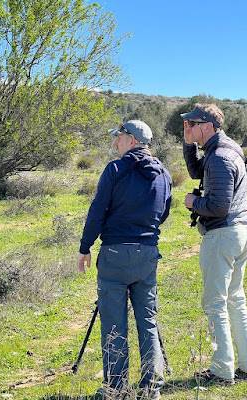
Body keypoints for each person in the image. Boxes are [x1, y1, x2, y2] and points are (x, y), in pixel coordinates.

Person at [77, 120, 172, 399]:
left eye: (119, 138)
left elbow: (97, 211)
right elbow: (164, 212)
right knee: (148, 319)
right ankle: (151, 388)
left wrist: (85, 247)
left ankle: (115, 389)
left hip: (115, 253)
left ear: (132, 140)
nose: (115, 143)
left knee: (114, 322)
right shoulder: (163, 174)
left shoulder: (115, 169)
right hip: (147, 253)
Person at [182, 104, 247, 386]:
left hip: (224, 235)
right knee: (235, 300)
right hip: (240, 233)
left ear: (207, 126)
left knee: (215, 302)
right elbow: (196, 173)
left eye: (191, 123)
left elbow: (218, 206)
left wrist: (193, 203)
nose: (187, 127)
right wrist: (188, 143)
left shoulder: (219, 157)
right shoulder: (223, 150)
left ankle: (222, 370)